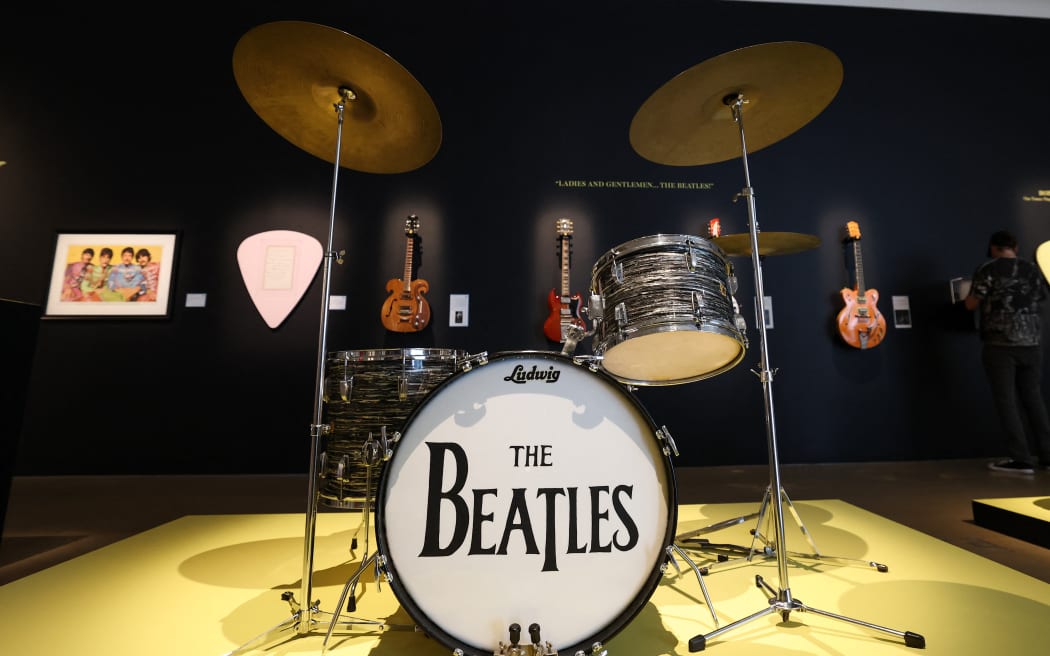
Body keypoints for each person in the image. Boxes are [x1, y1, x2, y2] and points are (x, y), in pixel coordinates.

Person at [964, 229, 1050, 474]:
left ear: (993, 248)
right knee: (1034, 399)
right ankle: (1048, 455)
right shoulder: (1032, 269)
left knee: (1006, 401)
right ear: (1016, 247)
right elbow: (1040, 297)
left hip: (1000, 344)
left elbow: (971, 303)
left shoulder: (988, 269)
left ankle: (1020, 458)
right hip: (1032, 343)